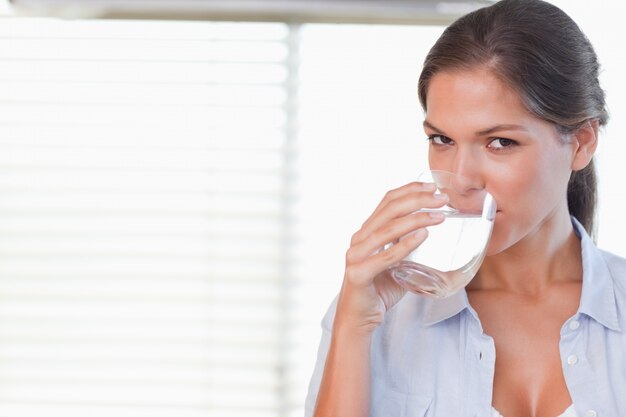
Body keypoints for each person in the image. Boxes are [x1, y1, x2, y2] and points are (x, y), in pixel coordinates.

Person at [304, 0, 626, 416]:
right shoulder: (379, 314)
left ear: (581, 143)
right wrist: (352, 327)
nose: (463, 178)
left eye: (500, 143)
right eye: (442, 140)